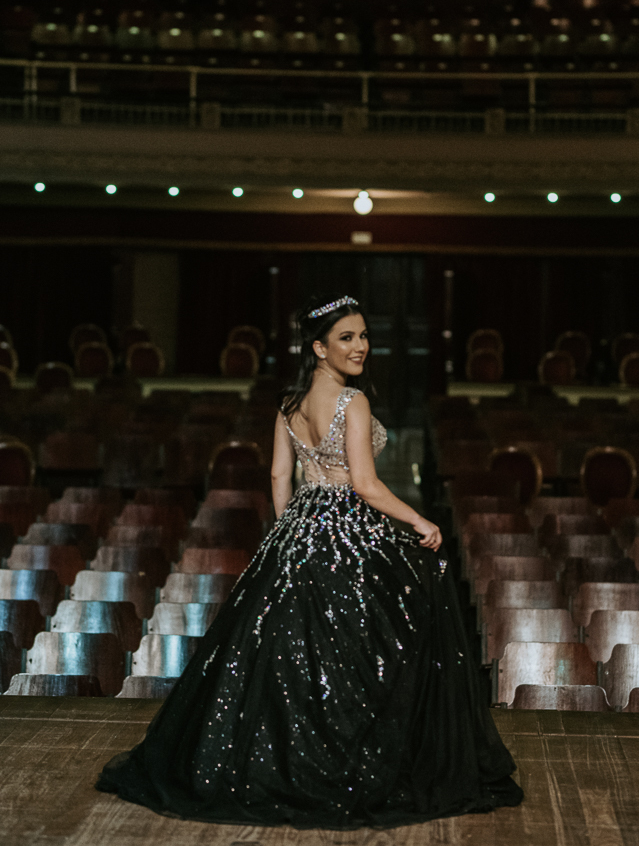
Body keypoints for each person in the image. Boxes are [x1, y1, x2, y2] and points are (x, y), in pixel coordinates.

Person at [96, 294, 523, 828]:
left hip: (298, 531)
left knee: (290, 660)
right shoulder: (354, 402)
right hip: (349, 527)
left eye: (364, 335)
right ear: (319, 348)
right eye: (347, 337)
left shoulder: (288, 405)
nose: (361, 346)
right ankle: (352, 765)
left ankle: (287, 762)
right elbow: (365, 485)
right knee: (375, 645)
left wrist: (288, 537)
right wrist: (420, 521)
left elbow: (281, 478)